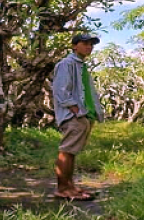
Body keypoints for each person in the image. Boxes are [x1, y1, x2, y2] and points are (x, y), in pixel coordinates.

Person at [52, 33, 105, 201]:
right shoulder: (66, 64)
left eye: (91, 44)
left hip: (83, 115)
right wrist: (76, 111)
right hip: (74, 115)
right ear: (75, 46)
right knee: (67, 150)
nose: (89, 47)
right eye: (85, 43)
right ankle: (62, 189)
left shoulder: (81, 66)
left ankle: (70, 186)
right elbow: (61, 90)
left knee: (72, 152)